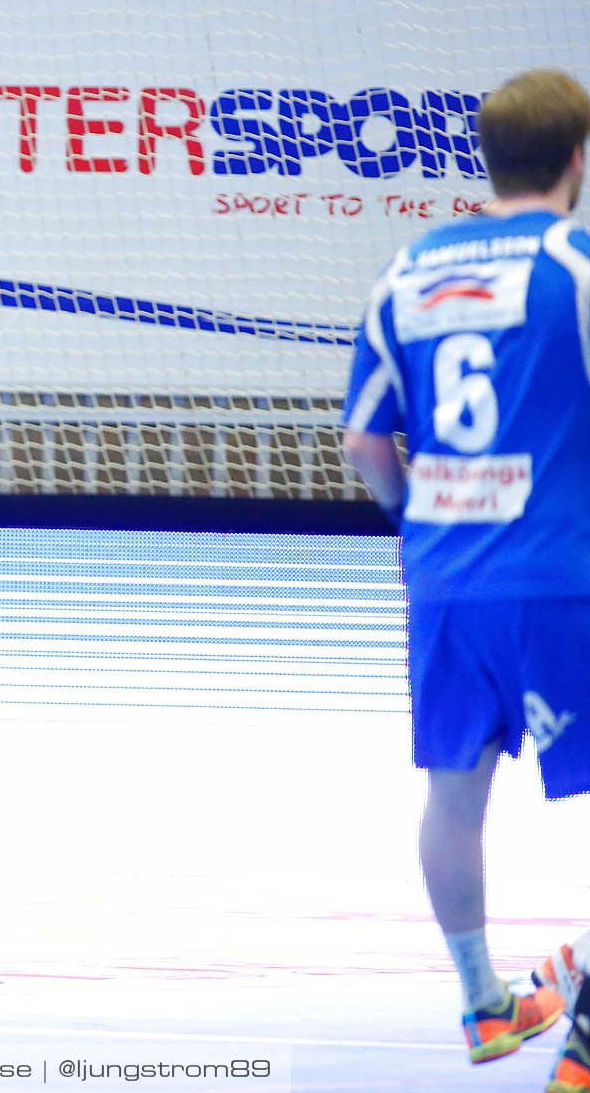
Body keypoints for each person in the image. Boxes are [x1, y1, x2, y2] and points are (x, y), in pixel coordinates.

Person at [342, 68, 590, 1087]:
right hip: (561, 577)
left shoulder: (405, 272)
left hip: (445, 580)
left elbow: (364, 441)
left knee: (455, 796)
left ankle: (486, 1004)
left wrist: (428, 526)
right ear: (578, 161)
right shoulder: (574, 263)